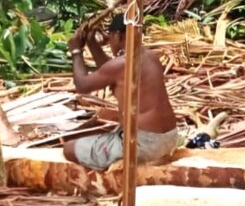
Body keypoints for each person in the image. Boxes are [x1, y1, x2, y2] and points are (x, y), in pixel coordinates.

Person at [62, 15, 179, 171]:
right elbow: (109, 71)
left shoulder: (123, 63)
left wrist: (76, 51)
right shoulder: (150, 56)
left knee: (69, 148)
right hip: (169, 137)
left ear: (117, 35)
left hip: (144, 144)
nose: (109, 42)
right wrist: (91, 43)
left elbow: (83, 85)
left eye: (110, 38)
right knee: (103, 134)